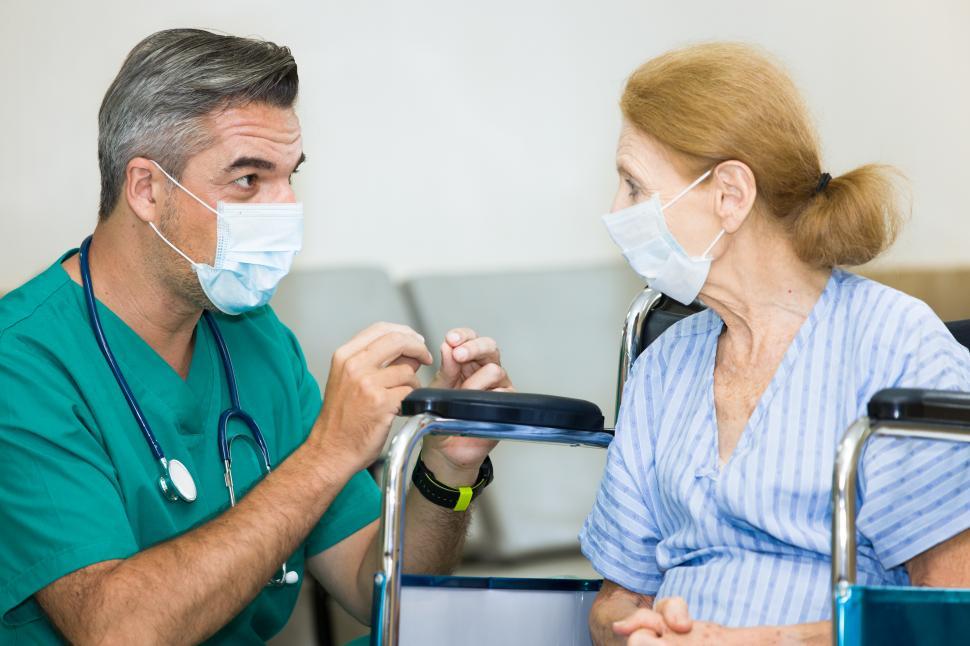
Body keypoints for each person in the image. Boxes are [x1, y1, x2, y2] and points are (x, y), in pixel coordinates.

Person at [0, 29, 511, 644]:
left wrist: (443, 469)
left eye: (289, 177)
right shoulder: (21, 362)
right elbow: (118, 634)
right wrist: (328, 453)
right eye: (248, 179)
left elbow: (383, 595)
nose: (285, 208)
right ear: (147, 189)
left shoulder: (257, 340)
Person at [581, 42, 970, 645]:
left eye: (634, 186)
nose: (615, 209)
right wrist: (635, 631)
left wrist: (755, 643)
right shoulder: (664, 366)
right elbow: (614, 602)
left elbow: (951, 613)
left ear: (730, 196)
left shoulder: (894, 347)